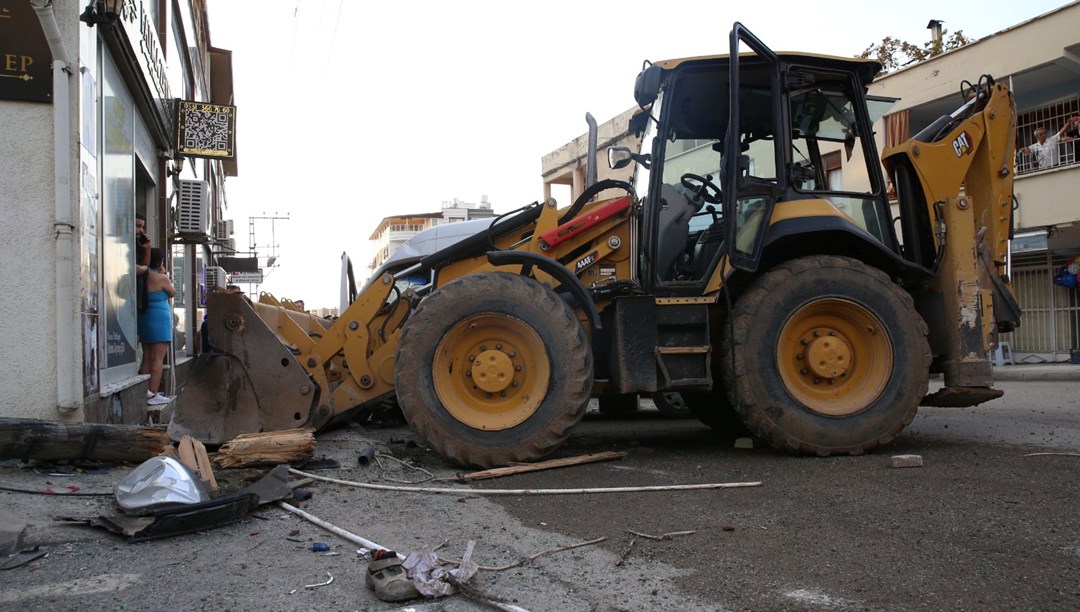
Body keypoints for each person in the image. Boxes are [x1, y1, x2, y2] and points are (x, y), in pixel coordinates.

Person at [138, 248, 176, 406]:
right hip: (160, 319)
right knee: (158, 358)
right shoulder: (161, 278)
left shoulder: (141, 277)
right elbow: (172, 292)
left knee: (147, 357)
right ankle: (153, 393)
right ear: (159, 262)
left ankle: (143, 392)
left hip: (145, 318)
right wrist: (163, 273)